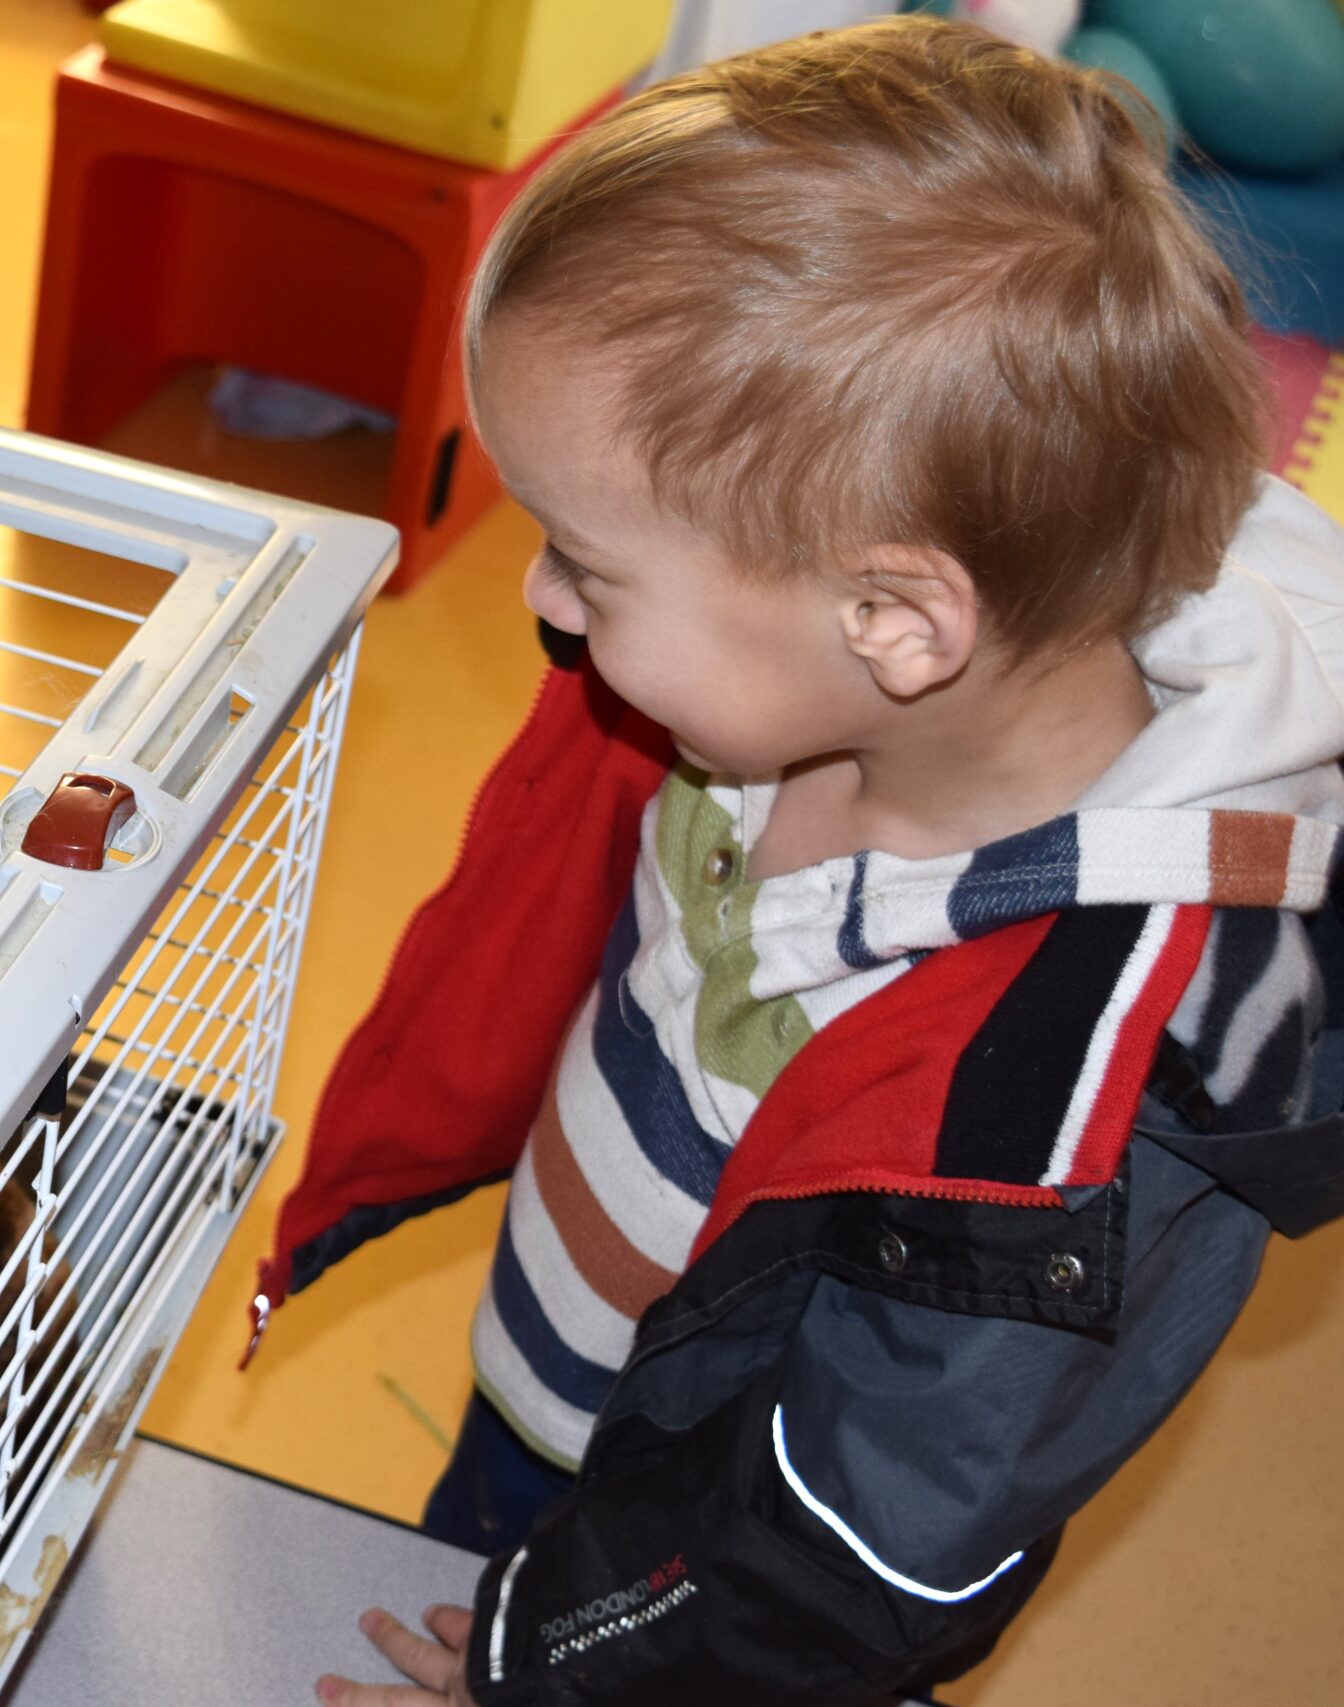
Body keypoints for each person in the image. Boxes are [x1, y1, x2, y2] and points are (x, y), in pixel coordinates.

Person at [246, 17, 1344, 1704]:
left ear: (896, 623)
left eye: (586, 568)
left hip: (721, 1594)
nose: (538, 605)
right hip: (576, 1386)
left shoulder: (1082, 1108)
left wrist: (548, 1662)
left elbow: (843, 1559)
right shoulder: (787, 685)